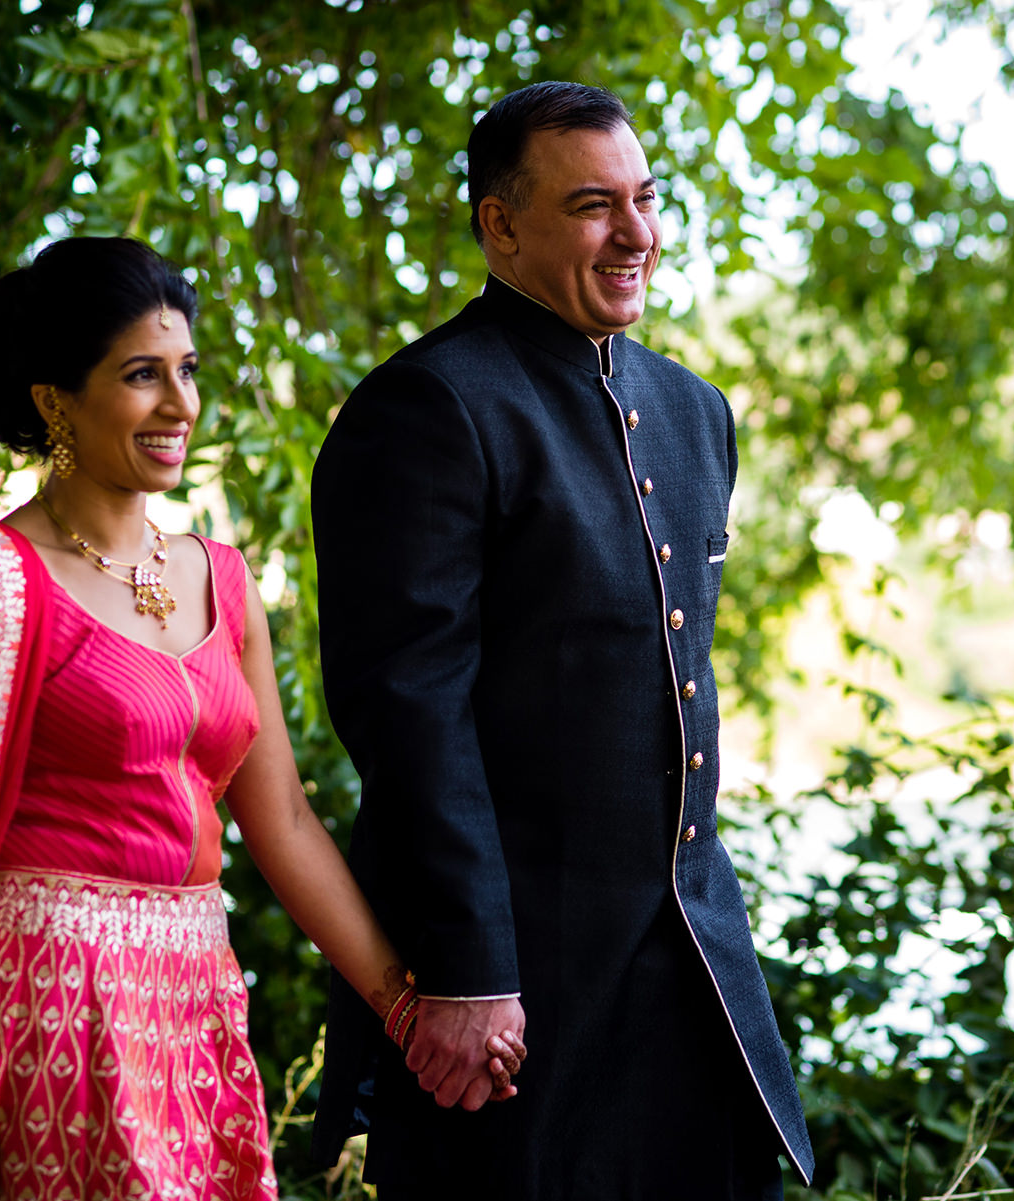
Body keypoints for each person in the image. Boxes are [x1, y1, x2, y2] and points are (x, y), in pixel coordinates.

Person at [0, 237, 523, 1201]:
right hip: (47, 1007)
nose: (180, 404)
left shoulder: (220, 580)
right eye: (142, 375)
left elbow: (278, 823)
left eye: (187, 370)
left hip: (194, 1008)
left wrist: (409, 1010)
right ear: (54, 399)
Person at [310, 81, 815, 1199]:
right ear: (500, 224)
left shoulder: (693, 411)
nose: (635, 233)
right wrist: (470, 971)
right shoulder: (428, 407)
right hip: (514, 995)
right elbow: (410, 719)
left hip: (694, 973)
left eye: (644, 198)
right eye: (593, 205)